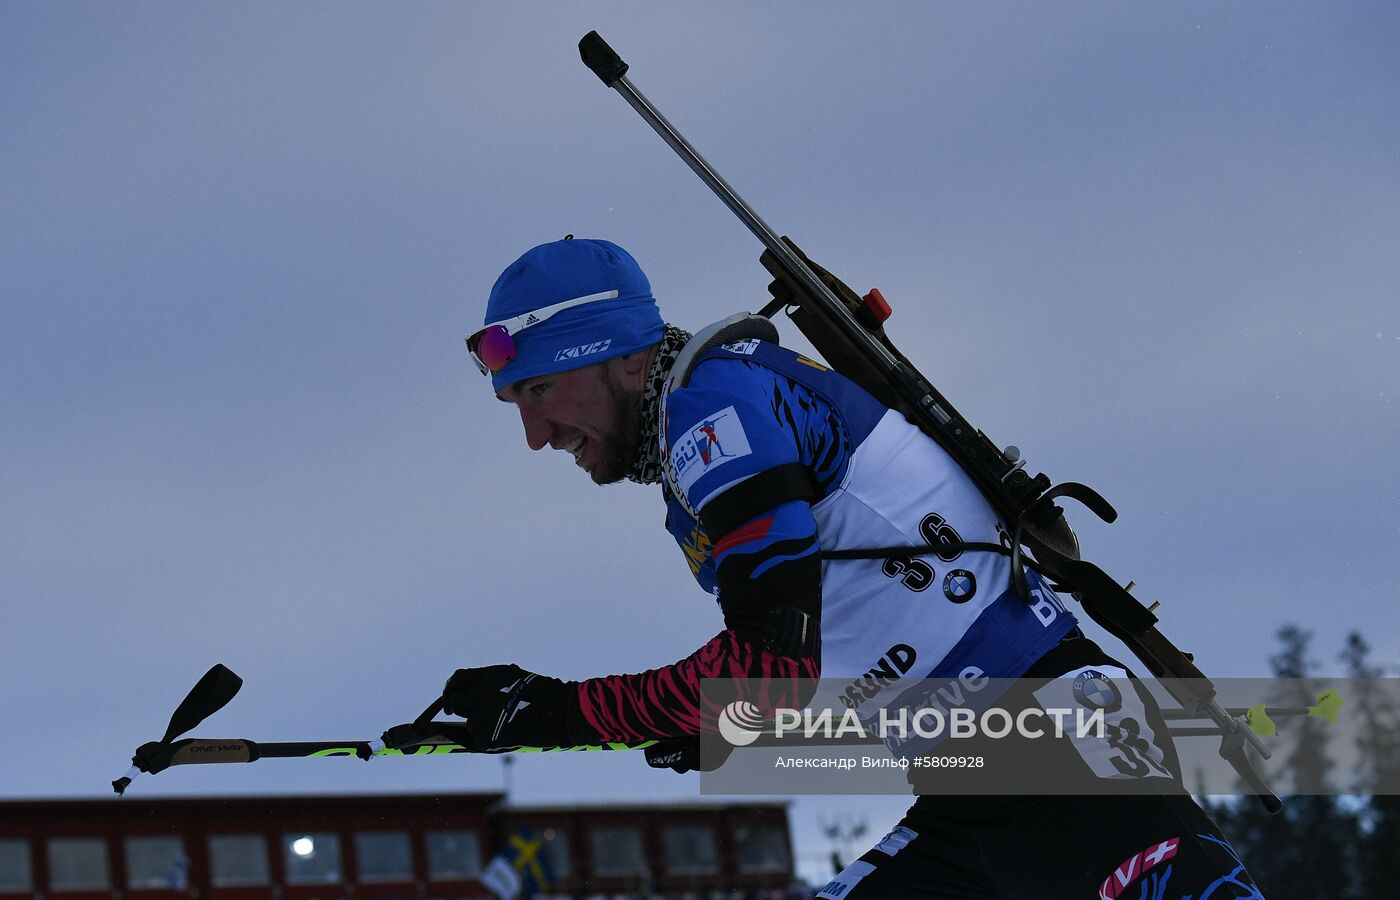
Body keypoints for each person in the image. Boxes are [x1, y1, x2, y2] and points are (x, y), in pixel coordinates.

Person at [444, 236, 1263, 898]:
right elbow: (864, 634)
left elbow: (771, 663)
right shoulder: (716, 419)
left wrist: (556, 712)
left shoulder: (712, 411)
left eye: (540, 390)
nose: (537, 434)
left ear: (617, 355)